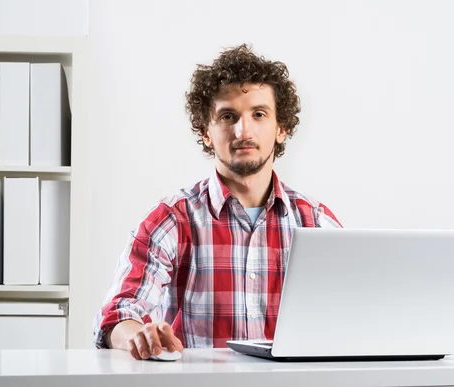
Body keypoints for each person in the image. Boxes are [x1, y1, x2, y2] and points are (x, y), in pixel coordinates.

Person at [92, 44, 342, 360]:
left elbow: (352, 315)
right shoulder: (173, 219)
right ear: (206, 132)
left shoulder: (315, 221)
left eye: (259, 114)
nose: (243, 130)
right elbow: (118, 313)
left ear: (281, 129)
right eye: (228, 116)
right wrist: (137, 334)